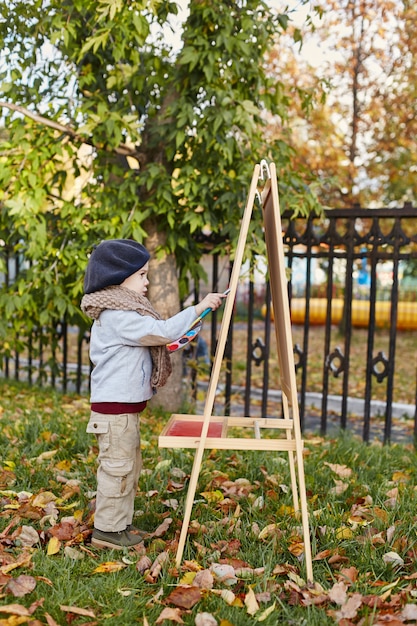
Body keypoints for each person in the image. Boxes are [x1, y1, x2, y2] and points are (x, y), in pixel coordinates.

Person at [80, 239, 226, 550]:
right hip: (114, 413)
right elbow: (161, 332)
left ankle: (119, 523)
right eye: (142, 275)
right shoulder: (119, 315)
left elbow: (165, 341)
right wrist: (198, 307)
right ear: (121, 277)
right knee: (118, 469)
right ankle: (108, 531)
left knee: (128, 467)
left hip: (122, 411)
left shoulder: (127, 313)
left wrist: (194, 322)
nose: (147, 282)